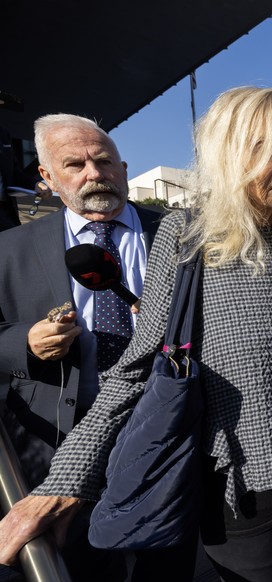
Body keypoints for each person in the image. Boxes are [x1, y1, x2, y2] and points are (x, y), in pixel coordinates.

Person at [0, 87, 272, 581]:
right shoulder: (189, 235)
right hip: (242, 498)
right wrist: (63, 484)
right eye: (264, 148)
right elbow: (136, 369)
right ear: (227, 156)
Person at [0, 114, 164, 580]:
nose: (95, 174)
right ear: (47, 179)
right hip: (58, 441)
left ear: (125, 168)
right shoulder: (8, 252)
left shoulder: (181, 235)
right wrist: (23, 343)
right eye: (75, 164)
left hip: (164, 431)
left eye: (105, 161)